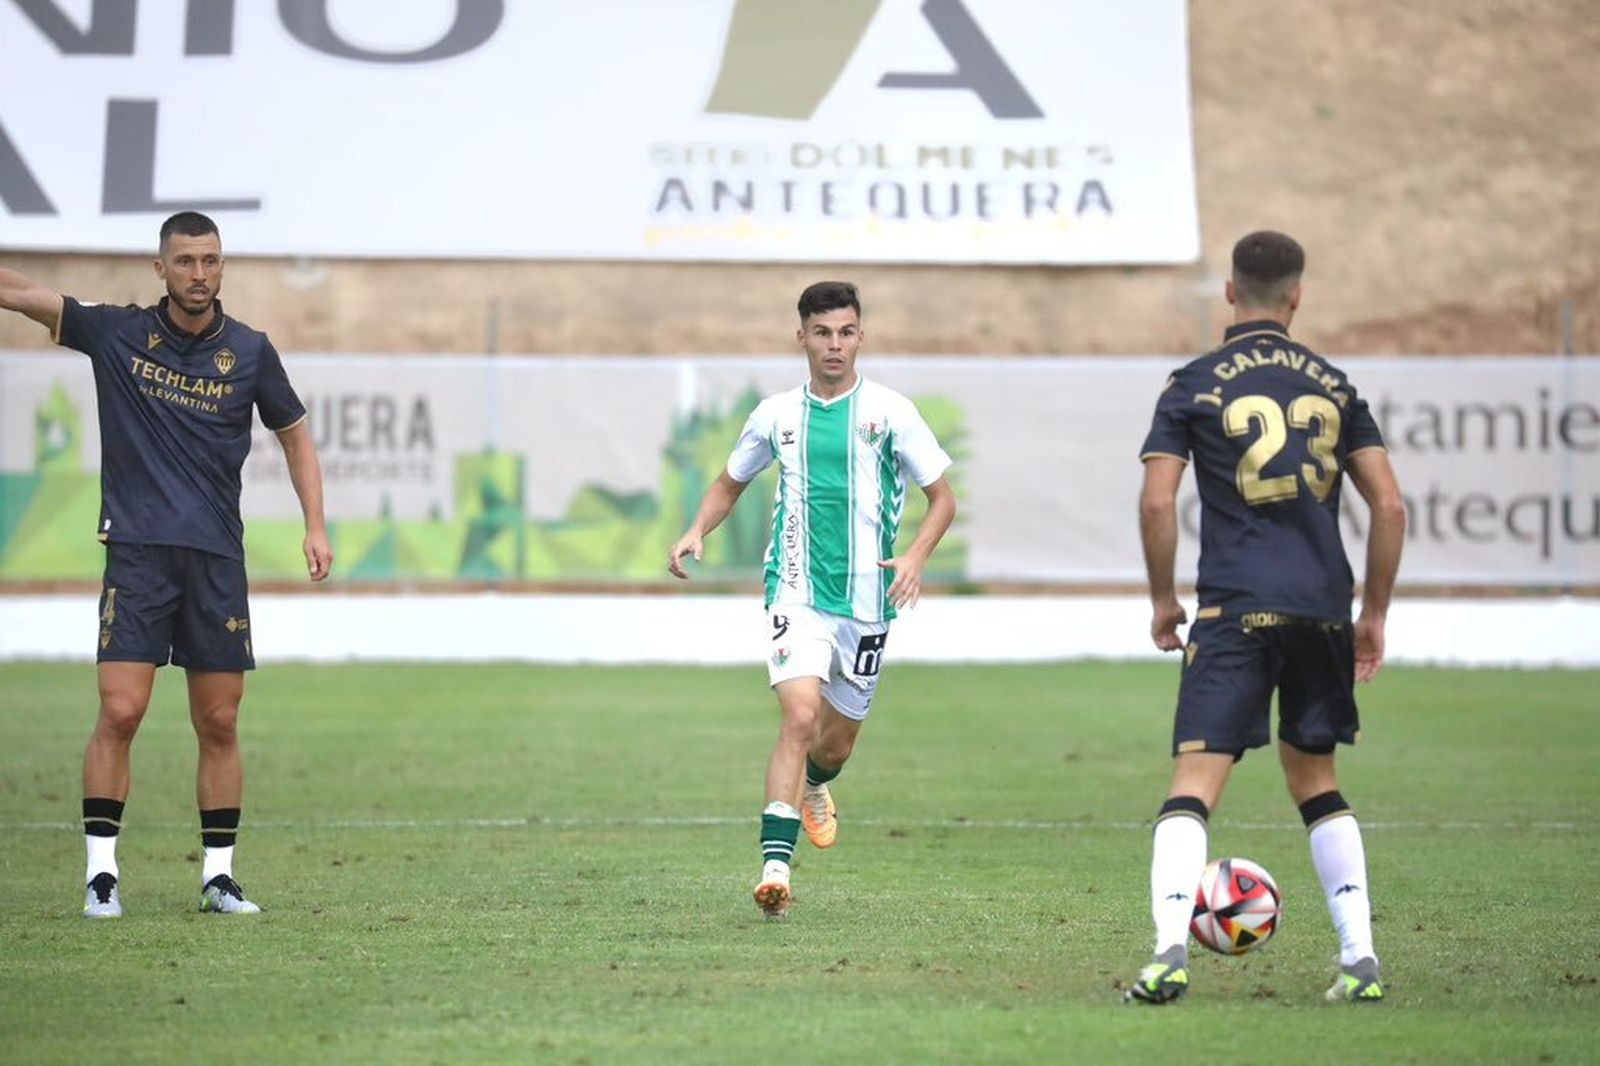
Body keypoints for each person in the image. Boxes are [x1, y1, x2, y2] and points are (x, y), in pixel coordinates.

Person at [0, 211, 332, 918]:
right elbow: (25, 292)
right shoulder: (117, 332)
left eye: (210, 260)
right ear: (161, 269)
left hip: (216, 559)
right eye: (185, 261)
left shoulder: (249, 351)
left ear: (222, 265)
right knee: (121, 709)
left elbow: (295, 436)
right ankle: (101, 876)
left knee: (219, 721)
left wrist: (315, 525)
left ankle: (218, 877)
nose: (199, 274)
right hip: (139, 554)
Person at [1125, 231, 1406, 1004]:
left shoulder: (1194, 384)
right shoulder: (1335, 385)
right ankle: (1360, 962)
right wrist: (1373, 612)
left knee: (1194, 783)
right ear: (1297, 296)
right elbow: (1389, 503)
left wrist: (1162, 600)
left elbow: (1157, 500)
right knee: (1317, 781)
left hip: (1235, 607)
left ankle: (1169, 953)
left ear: (1229, 292)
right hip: (1322, 609)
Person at [668, 281, 956, 918]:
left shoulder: (892, 412)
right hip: (794, 591)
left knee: (833, 746)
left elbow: (943, 498)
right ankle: (775, 869)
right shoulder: (775, 415)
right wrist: (695, 530)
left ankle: (818, 788)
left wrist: (913, 557)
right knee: (799, 718)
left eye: (846, 332)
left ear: (861, 336)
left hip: (867, 602)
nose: (835, 345)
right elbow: (729, 482)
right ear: (801, 336)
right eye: (822, 333)